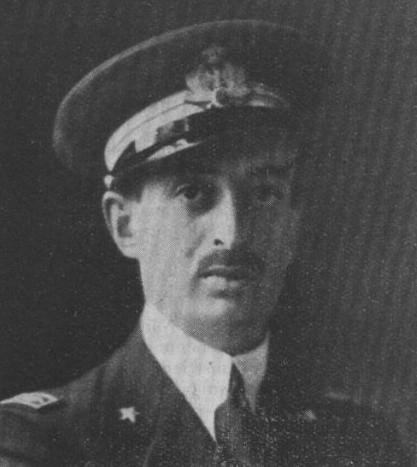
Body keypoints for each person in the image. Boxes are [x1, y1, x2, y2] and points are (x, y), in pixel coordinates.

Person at [0, 20, 410, 467]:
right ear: (125, 225)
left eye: (265, 193)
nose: (232, 233)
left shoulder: (363, 443)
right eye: (193, 192)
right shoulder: (38, 444)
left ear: (293, 227)